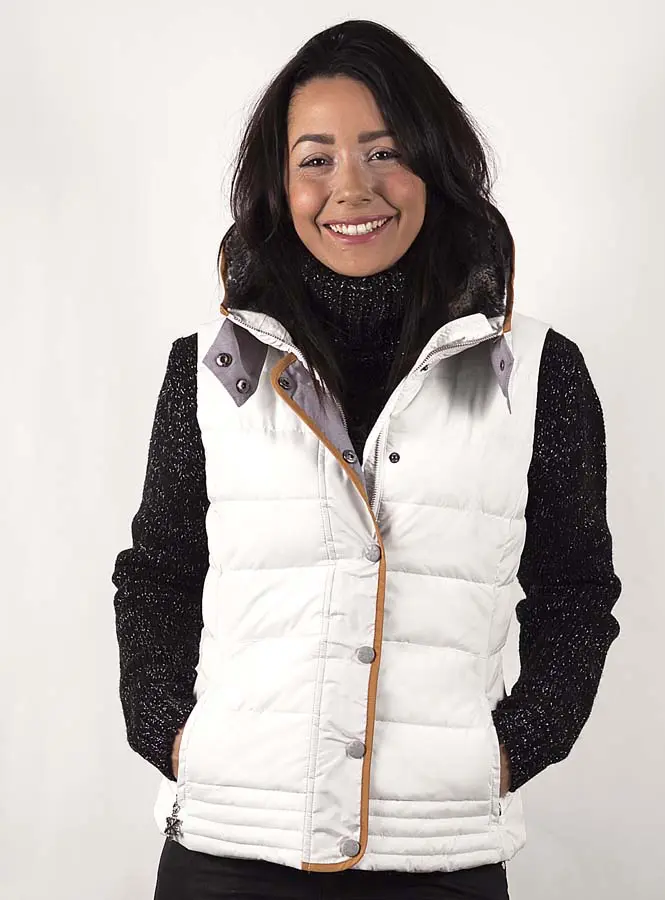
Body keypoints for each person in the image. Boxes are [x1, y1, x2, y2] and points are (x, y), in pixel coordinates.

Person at [112, 19, 622, 900]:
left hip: (439, 854)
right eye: (315, 158)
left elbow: (576, 592)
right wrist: (175, 736)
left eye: (384, 151)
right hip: (228, 850)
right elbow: (158, 575)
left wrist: (507, 753)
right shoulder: (210, 369)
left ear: (436, 163)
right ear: (278, 184)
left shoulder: (538, 372)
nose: (351, 187)